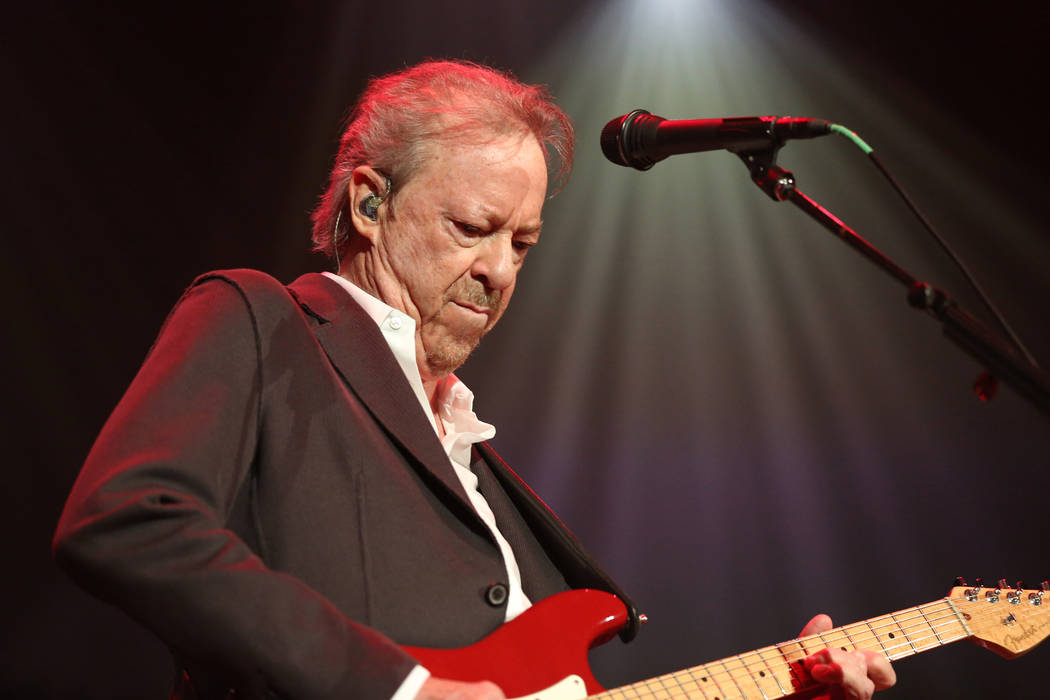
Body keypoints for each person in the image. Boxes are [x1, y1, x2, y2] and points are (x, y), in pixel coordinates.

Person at [54, 60, 895, 700]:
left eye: (522, 243)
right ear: (370, 205)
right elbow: (127, 522)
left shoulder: (474, 457)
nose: (499, 271)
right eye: (472, 228)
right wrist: (403, 689)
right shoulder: (260, 320)